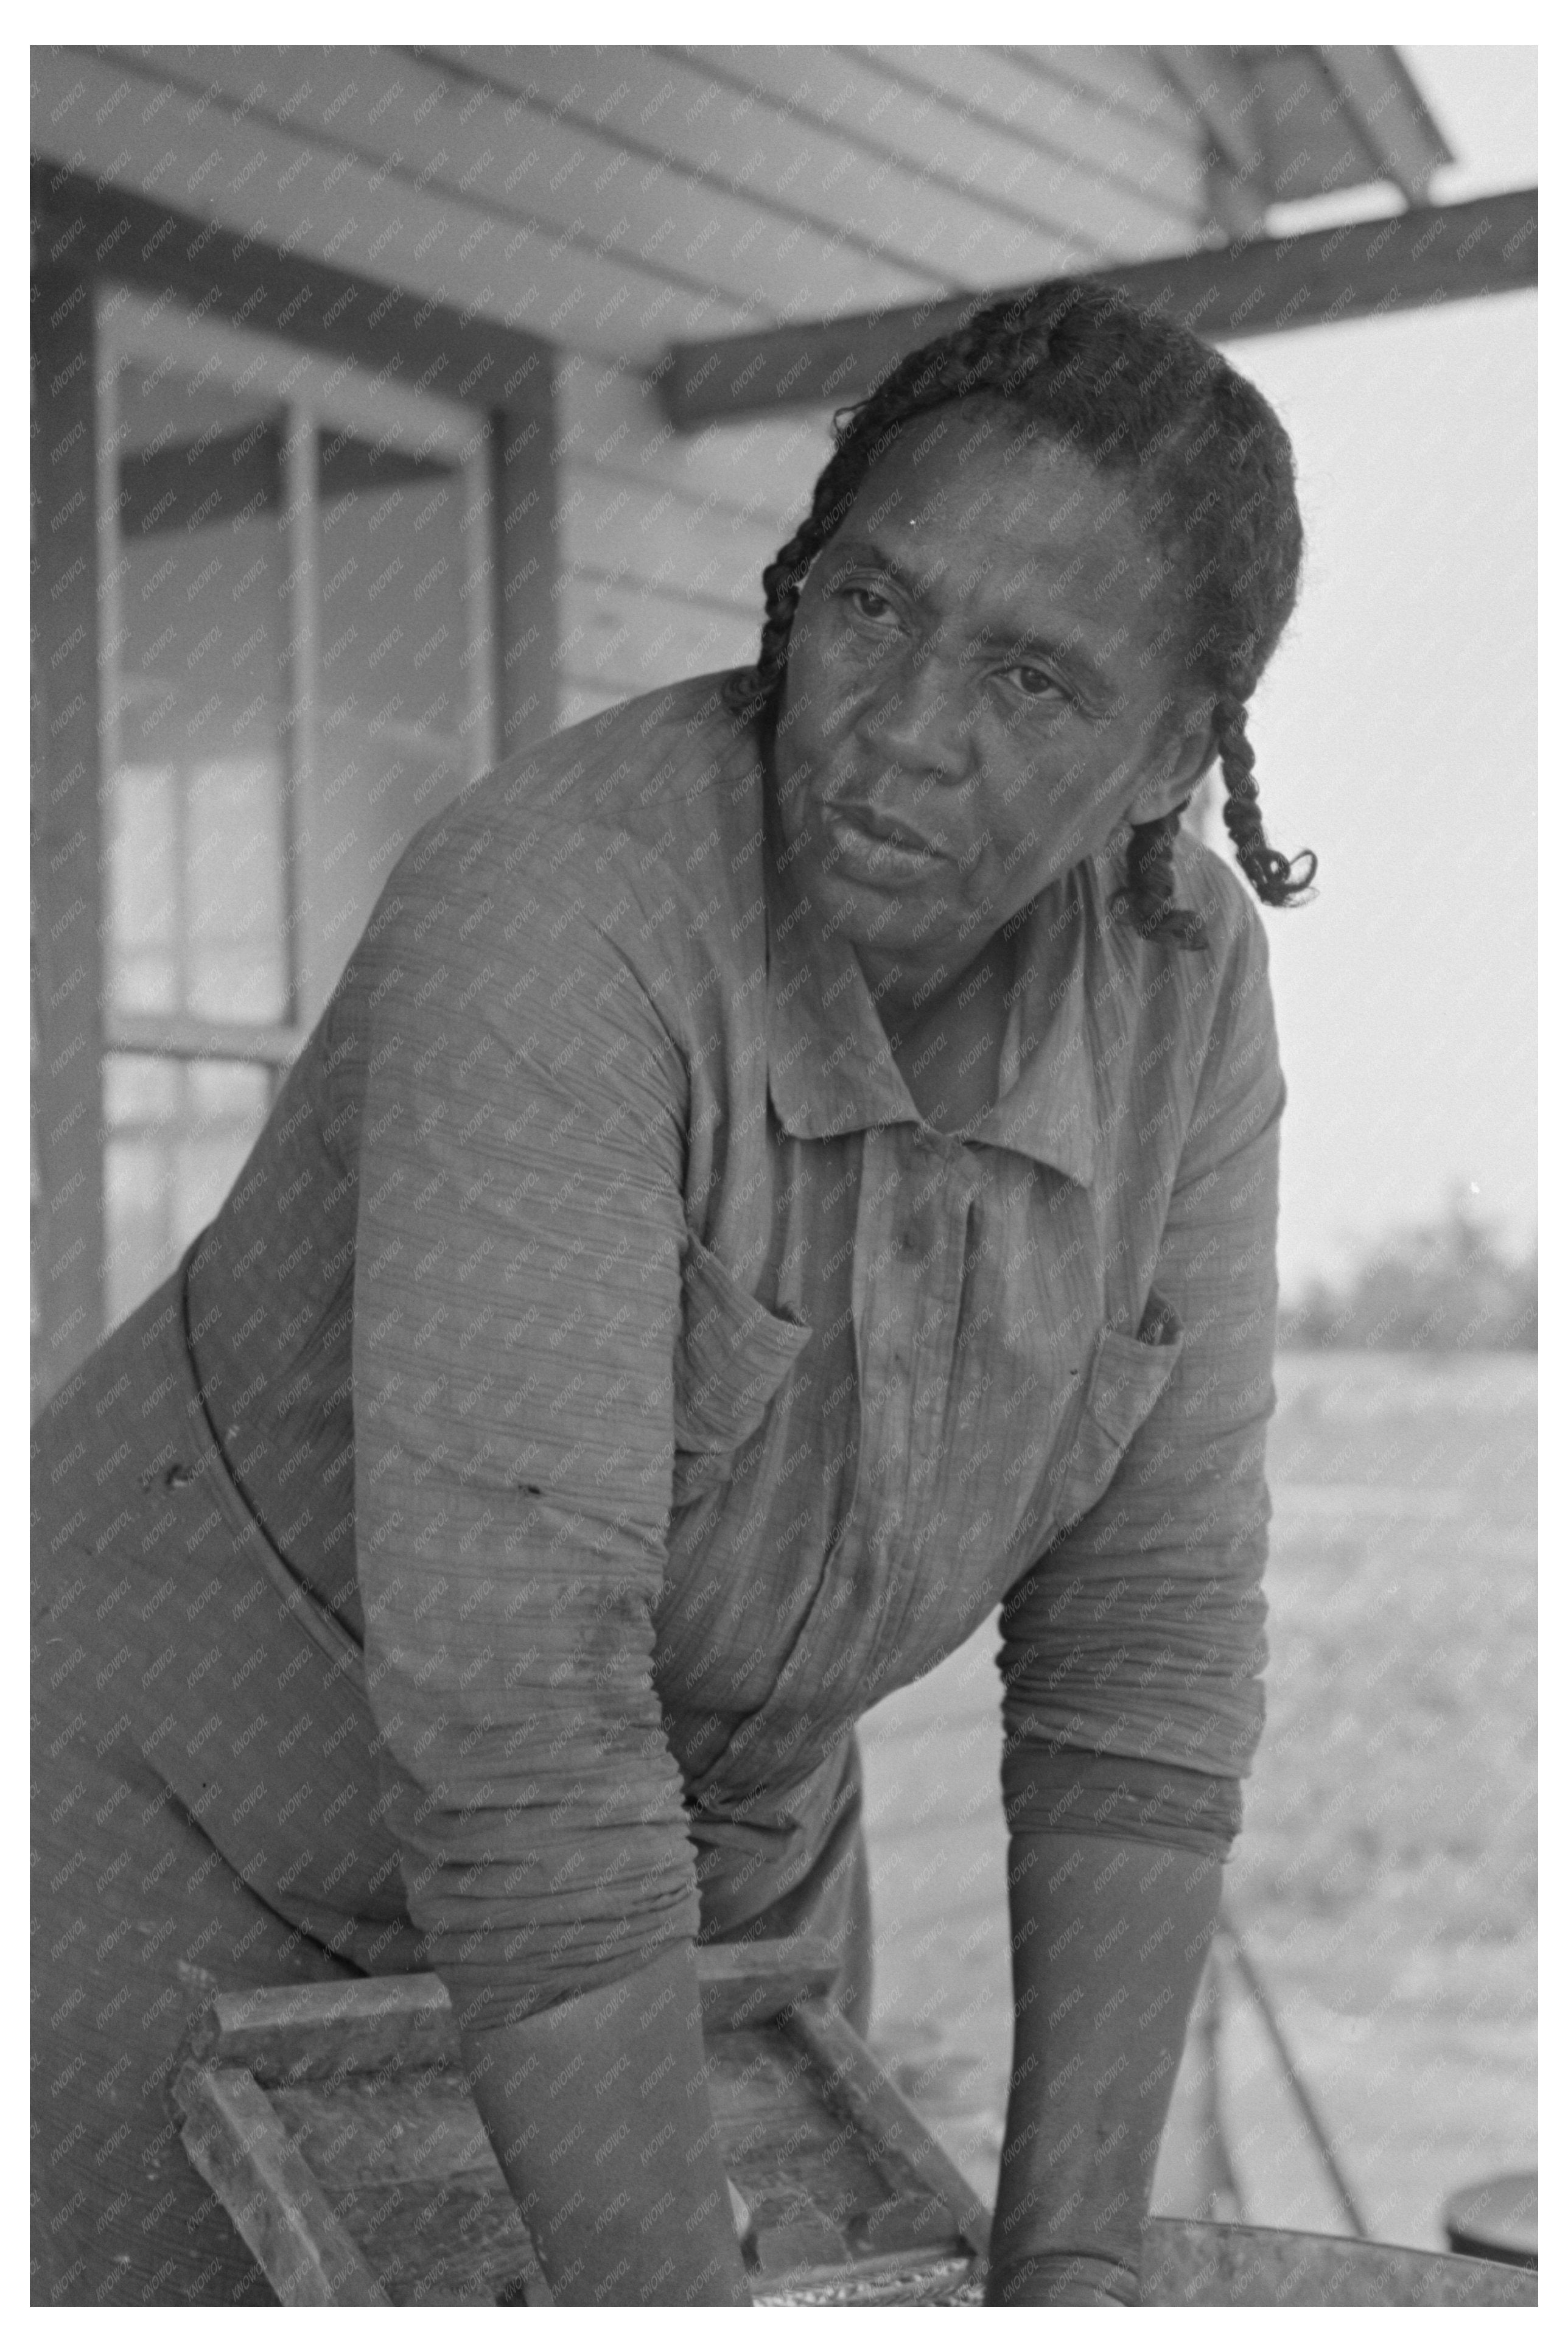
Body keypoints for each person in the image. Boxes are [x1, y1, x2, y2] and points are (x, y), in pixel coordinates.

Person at [31, 278, 1314, 2308]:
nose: (904, 730)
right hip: (184, 1833)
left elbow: (1140, 1665)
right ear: (799, 582)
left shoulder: (1186, 989)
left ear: (1171, 755)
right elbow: (526, 1734)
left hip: (723, 1885)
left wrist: (1073, 2279)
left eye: (1032, 680)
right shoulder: (564, 911)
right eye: (872, 605)